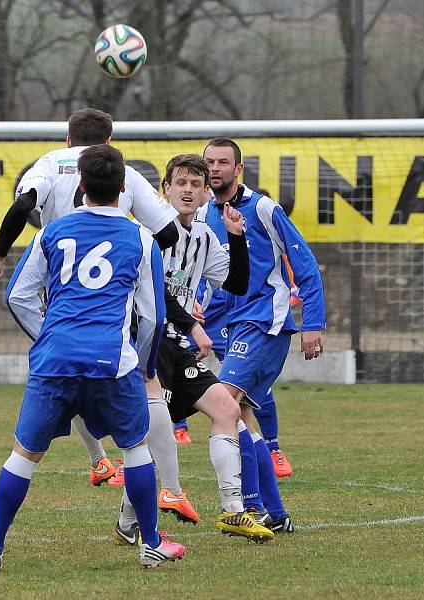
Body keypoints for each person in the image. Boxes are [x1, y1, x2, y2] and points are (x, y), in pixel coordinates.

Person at [0, 144, 184, 572]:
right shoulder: (141, 238)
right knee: (135, 450)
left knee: (22, 456)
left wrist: (47, 338)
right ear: (124, 186)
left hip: (55, 361)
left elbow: (19, 296)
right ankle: (150, 543)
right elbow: (151, 316)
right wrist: (144, 364)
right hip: (113, 362)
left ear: (82, 187)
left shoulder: (50, 233)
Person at [113, 154, 273, 545]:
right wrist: (193, 325)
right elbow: (151, 293)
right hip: (145, 340)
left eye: (195, 184)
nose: (188, 190)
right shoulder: (148, 233)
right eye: (180, 182)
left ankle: (233, 512)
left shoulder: (204, 237)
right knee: (151, 436)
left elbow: (235, 283)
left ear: (205, 195)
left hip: (176, 342)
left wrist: (236, 239)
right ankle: (135, 518)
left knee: (226, 408)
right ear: (164, 190)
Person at [199, 138, 326, 533]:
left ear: (238, 170)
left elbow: (304, 264)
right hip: (233, 324)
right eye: (209, 163)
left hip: (265, 321)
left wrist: (312, 323)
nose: (215, 168)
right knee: (242, 416)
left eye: (223, 162)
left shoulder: (263, 209)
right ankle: (273, 511)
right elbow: (212, 280)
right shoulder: (203, 215)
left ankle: (245, 507)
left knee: (224, 403)